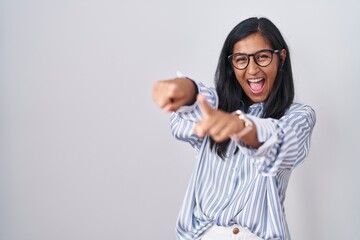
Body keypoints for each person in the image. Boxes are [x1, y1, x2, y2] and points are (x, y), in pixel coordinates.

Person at [152, 17, 316, 240]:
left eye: (262, 57)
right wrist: (184, 88)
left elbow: (279, 139)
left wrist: (241, 126)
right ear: (231, 65)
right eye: (241, 59)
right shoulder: (217, 105)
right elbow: (194, 102)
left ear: (281, 58)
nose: (252, 69)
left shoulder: (298, 116)